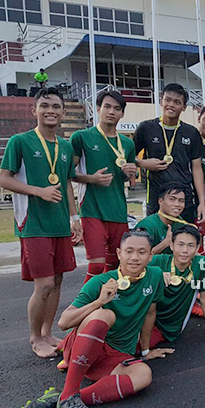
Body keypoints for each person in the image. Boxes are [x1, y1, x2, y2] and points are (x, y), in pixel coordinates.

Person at [14, 231, 171, 408]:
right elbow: (64, 322)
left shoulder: (154, 276)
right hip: (83, 346)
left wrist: (146, 352)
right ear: (119, 253)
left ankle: (61, 399)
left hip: (115, 357)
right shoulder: (100, 281)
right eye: (129, 251)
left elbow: (149, 313)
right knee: (105, 314)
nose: (134, 257)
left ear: (150, 256)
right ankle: (70, 391)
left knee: (144, 375)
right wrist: (99, 302)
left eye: (141, 252)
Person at [0, 87, 82, 359]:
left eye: (56, 106)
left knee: (57, 282)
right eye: (45, 105)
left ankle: (47, 333)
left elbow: (67, 183)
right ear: (34, 110)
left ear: (63, 113)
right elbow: (4, 179)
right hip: (32, 224)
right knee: (43, 284)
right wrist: (38, 191)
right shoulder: (20, 141)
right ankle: (35, 338)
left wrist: (74, 217)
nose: (51, 110)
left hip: (59, 223)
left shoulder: (66, 147)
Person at [71, 90, 136, 283]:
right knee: (97, 265)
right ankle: (83, 306)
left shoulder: (127, 143)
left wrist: (129, 175)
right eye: (107, 107)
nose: (111, 112)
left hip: (117, 211)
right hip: (92, 210)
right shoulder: (81, 137)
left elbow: (124, 179)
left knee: (116, 264)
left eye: (117, 108)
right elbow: (67, 173)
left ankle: (105, 304)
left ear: (122, 114)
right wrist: (92, 179)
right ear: (98, 109)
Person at [146, 224, 205, 347]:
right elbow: (128, 270)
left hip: (172, 327)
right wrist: (155, 275)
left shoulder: (201, 263)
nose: (185, 250)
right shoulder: (157, 261)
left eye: (190, 245)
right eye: (180, 245)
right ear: (171, 245)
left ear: (198, 248)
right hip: (146, 320)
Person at [133, 83, 205, 224]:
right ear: (161, 101)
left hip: (184, 198)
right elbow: (129, 157)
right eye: (168, 100)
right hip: (156, 197)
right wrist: (142, 163)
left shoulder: (191, 132)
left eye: (177, 102)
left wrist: (201, 202)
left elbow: (197, 168)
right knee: (155, 240)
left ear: (184, 107)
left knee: (184, 241)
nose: (171, 105)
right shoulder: (146, 128)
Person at [134, 182, 188, 255]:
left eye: (181, 201)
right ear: (160, 201)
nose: (177, 204)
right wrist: (165, 243)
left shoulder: (181, 222)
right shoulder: (148, 225)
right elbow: (137, 257)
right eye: (172, 199)